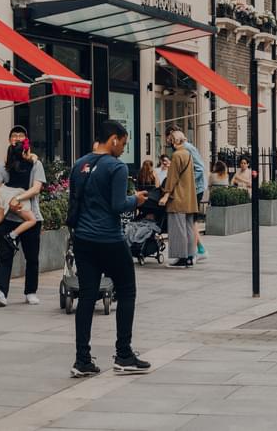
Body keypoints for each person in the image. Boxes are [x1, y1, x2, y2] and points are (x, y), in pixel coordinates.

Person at [68, 120, 150, 378]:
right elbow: (117, 205)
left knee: (87, 295)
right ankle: (123, 354)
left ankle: (82, 359)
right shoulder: (116, 167)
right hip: (109, 238)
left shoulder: (79, 164)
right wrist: (135, 200)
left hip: (82, 238)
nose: (123, 149)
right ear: (113, 139)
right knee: (127, 290)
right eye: (123, 143)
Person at [0, 127, 47, 306]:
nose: (17, 138)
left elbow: (36, 188)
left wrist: (17, 198)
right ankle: (1, 291)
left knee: (32, 257)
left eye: (21, 135)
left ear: (26, 141)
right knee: (5, 255)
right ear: (9, 140)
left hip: (32, 218)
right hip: (9, 218)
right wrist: (5, 199)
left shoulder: (36, 164)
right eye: (14, 135)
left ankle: (31, 291)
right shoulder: (3, 165)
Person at [168, 127, 208, 261]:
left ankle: (198, 251)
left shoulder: (185, 149)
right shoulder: (183, 149)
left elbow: (200, 168)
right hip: (193, 188)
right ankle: (196, 251)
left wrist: (187, 183)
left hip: (194, 189)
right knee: (190, 221)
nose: (168, 142)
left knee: (188, 221)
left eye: (169, 138)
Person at [160, 136, 198, 267]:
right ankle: (189, 257)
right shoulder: (188, 154)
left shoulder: (176, 155)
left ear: (174, 142)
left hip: (178, 197)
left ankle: (181, 258)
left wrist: (166, 195)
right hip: (189, 197)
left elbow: (172, 177)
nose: (168, 144)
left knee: (178, 229)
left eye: (169, 141)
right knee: (188, 228)